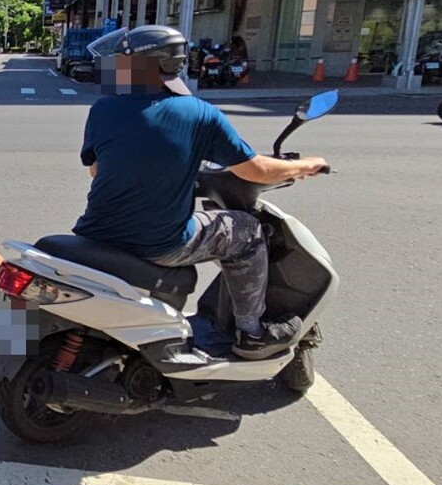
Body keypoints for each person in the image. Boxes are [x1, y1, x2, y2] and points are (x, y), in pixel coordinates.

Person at [75, 26, 328, 359]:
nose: (116, 68)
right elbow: (257, 171)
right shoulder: (199, 114)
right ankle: (251, 331)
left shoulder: (103, 110)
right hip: (160, 244)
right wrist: (306, 164)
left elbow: (97, 171)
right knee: (248, 230)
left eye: (122, 62)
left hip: (96, 232)